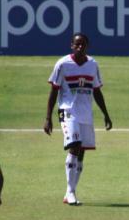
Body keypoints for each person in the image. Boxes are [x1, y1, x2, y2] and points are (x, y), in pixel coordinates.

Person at [44, 32, 113, 206]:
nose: (80, 47)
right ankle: (70, 190)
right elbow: (54, 91)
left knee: (81, 151)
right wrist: (48, 118)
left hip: (85, 113)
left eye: (83, 44)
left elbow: (97, 91)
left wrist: (106, 114)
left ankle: (71, 191)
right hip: (67, 110)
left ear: (87, 46)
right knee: (74, 147)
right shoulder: (63, 64)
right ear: (72, 46)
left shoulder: (92, 64)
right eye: (77, 44)